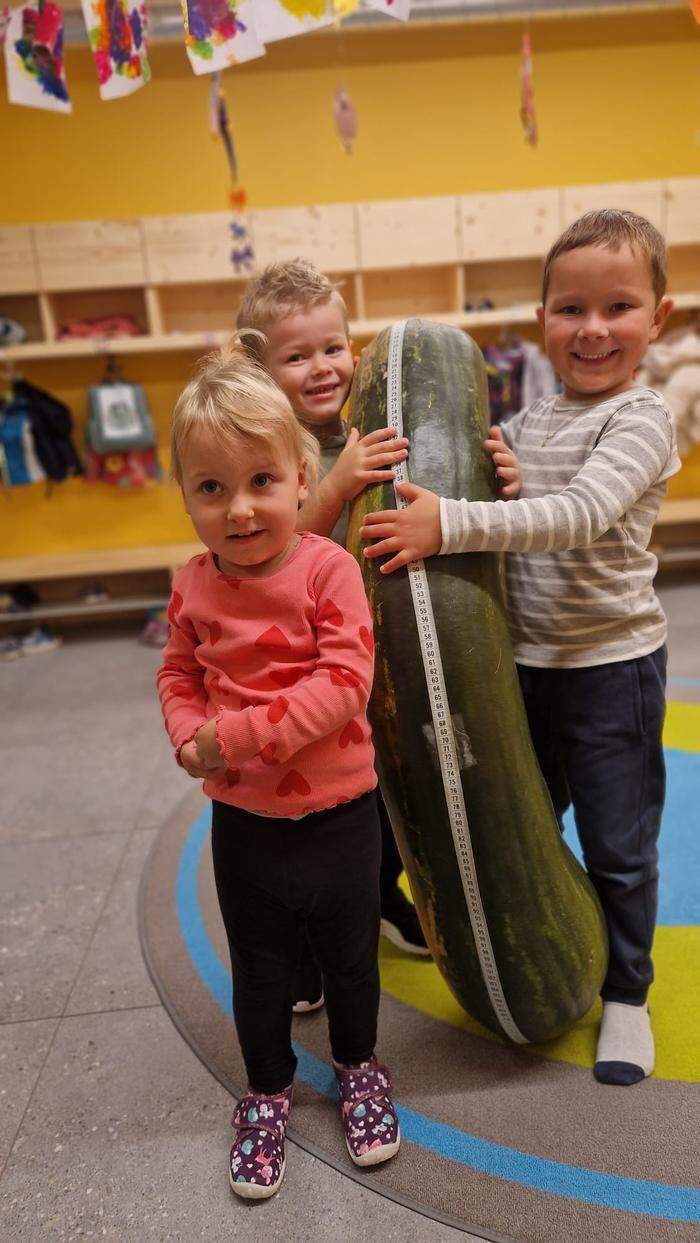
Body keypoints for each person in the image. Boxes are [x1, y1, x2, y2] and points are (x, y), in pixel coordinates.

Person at [360, 209, 679, 1088]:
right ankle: (542, 941)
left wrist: (449, 522)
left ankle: (626, 993)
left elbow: (578, 514)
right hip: (523, 672)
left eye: (618, 307)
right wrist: (491, 474)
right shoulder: (532, 417)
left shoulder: (644, 419)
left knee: (619, 843)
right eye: (570, 308)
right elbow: (520, 499)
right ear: (543, 319)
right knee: (521, 822)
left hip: (612, 672)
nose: (593, 328)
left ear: (658, 316)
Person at [236, 259, 521, 1009]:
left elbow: (442, 504)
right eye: (296, 356)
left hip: (377, 675)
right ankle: (301, 957)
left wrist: (499, 477)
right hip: (302, 684)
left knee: (385, 814)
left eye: (334, 346)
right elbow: (271, 552)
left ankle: (391, 902)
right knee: (312, 834)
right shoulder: (268, 452)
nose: (322, 367)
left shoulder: (378, 422)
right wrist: (337, 482)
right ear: (261, 371)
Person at [157, 341, 400, 1200]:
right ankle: (264, 1094)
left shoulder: (329, 569)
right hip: (246, 824)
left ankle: (360, 1068)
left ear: (304, 478)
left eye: (261, 481)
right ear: (185, 495)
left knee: (349, 960)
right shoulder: (191, 586)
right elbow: (178, 673)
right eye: (211, 488)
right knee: (259, 970)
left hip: (340, 814)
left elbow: (343, 686)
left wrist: (231, 738)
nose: (240, 509)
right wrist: (187, 728)